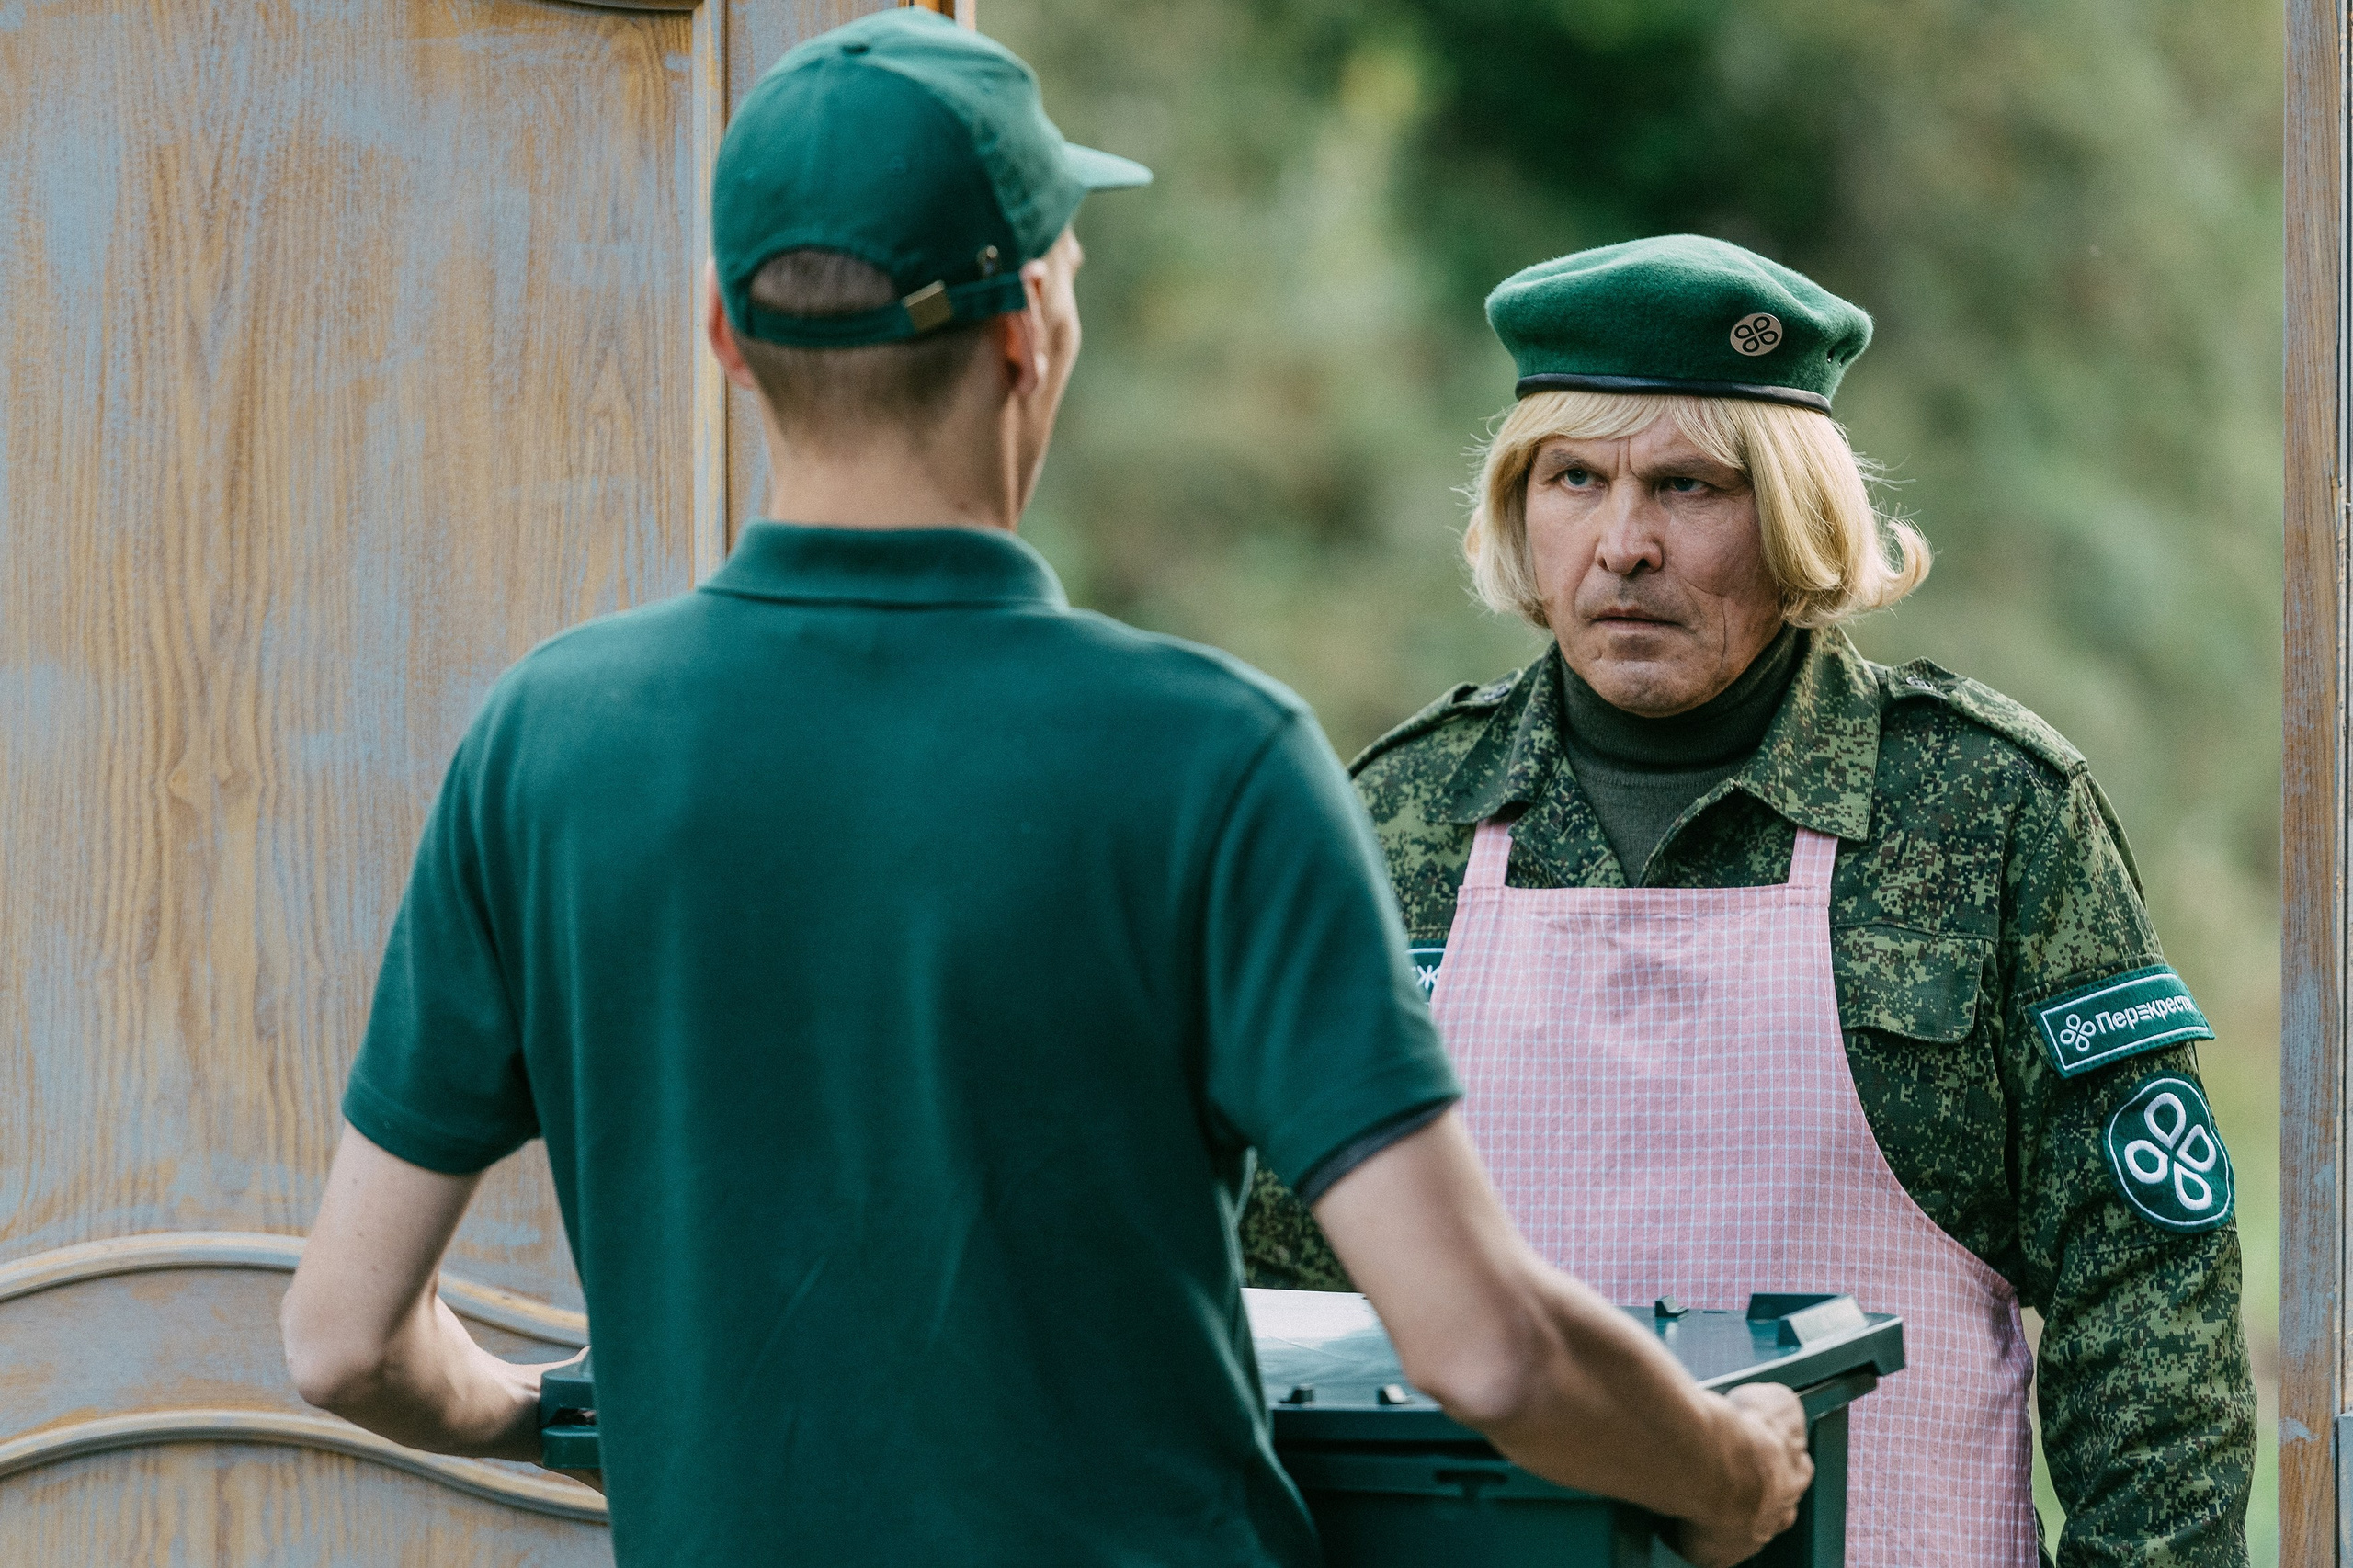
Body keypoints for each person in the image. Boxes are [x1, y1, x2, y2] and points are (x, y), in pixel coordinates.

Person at [276, 20, 1813, 1568]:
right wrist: (1730, 1475)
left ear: (728, 337)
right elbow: (1485, 1348)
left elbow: (344, 1337)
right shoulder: (1209, 759)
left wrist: (540, 1413)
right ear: (1033, 332)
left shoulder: (545, 743)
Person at [1241, 234, 2257, 1567]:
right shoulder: (1401, 819)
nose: (1623, 545)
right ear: (1520, 508)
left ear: (1794, 514)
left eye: (1688, 486)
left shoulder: (1987, 810)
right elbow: (1276, 1303)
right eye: (1575, 479)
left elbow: (2152, 1332)